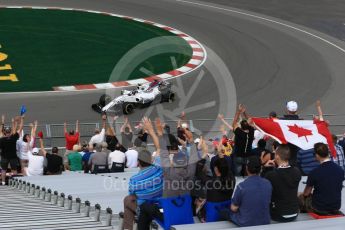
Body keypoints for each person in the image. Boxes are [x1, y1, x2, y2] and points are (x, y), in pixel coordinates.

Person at [137, 117, 199, 230]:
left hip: (170, 219)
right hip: (185, 216)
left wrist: (155, 132)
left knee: (144, 207)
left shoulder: (168, 171)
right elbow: (193, 159)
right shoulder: (190, 171)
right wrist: (191, 140)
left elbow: (164, 151)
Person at [220, 156, 272, 227]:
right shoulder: (268, 183)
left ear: (247, 169)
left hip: (245, 222)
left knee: (223, 211)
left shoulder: (241, 186)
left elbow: (233, 208)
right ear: (260, 169)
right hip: (265, 221)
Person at [122, 149, 163, 230]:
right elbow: (158, 150)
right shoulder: (159, 170)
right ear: (151, 161)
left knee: (128, 200)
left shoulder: (134, 179)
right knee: (129, 201)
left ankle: (128, 228)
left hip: (144, 208)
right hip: (160, 204)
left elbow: (131, 194)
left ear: (138, 162)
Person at [299, 143, 344, 215]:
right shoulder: (340, 170)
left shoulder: (314, 172)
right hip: (336, 206)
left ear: (316, 155)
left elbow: (306, 193)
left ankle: (304, 211)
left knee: (300, 195)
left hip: (319, 207)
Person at [264, 144, 301, 222]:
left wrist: (265, 168)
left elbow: (260, 185)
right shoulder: (297, 171)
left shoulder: (271, 175)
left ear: (277, 156)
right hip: (295, 212)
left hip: (278, 214)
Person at [195, 157, 236, 222]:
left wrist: (203, 157)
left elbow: (198, 171)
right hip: (227, 209)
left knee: (198, 201)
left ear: (216, 169)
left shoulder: (211, 183)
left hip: (213, 213)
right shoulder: (232, 178)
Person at [232, 104, 255, 176]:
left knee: (238, 173)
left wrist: (239, 111)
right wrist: (244, 112)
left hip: (238, 156)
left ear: (241, 127)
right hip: (247, 156)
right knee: (247, 172)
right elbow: (251, 120)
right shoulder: (251, 131)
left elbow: (234, 122)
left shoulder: (239, 132)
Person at [0, 116, 24, 185]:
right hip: (13, 157)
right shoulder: (14, 137)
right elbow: (20, 128)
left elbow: (0, 132)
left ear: (5, 132)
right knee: (14, 170)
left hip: (4, 157)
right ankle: (15, 183)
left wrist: (2, 121)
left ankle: (3, 182)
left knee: (3, 170)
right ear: (10, 132)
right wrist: (21, 119)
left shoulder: (2, 139)